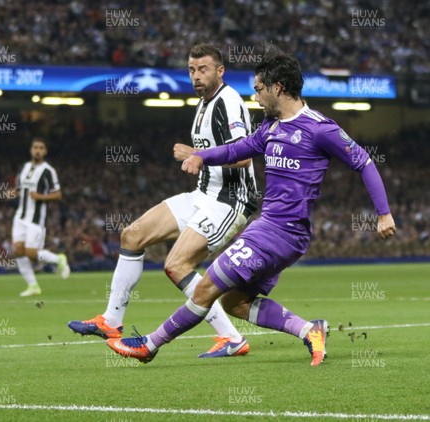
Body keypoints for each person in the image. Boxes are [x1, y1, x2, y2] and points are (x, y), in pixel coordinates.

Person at [106, 44, 397, 366]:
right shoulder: (270, 127)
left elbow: (364, 162)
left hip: (277, 232)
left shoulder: (318, 128)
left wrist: (383, 213)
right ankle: (309, 330)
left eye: (259, 90)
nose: (256, 97)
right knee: (234, 302)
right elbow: (237, 150)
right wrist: (201, 156)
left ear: (278, 88)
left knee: (205, 288)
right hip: (280, 233)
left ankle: (149, 345)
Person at [68, 43, 259, 358]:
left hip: (231, 200)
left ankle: (232, 338)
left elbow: (244, 157)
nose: (196, 76)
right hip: (203, 194)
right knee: (133, 235)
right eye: (192, 70)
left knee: (176, 265)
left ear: (220, 71)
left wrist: (196, 155)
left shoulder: (229, 102)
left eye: (204, 69)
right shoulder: (203, 104)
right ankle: (111, 321)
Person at [13, 137, 70, 297]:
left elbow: (58, 194)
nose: (37, 150)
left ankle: (58, 259)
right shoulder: (24, 167)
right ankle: (33, 286)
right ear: (31, 150)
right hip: (20, 217)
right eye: (35, 147)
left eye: (41, 148)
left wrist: (40, 196)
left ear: (45, 151)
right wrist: (13, 193)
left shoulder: (48, 171)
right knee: (18, 250)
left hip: (36, 219)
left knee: (31, 253)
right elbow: (19, 189)